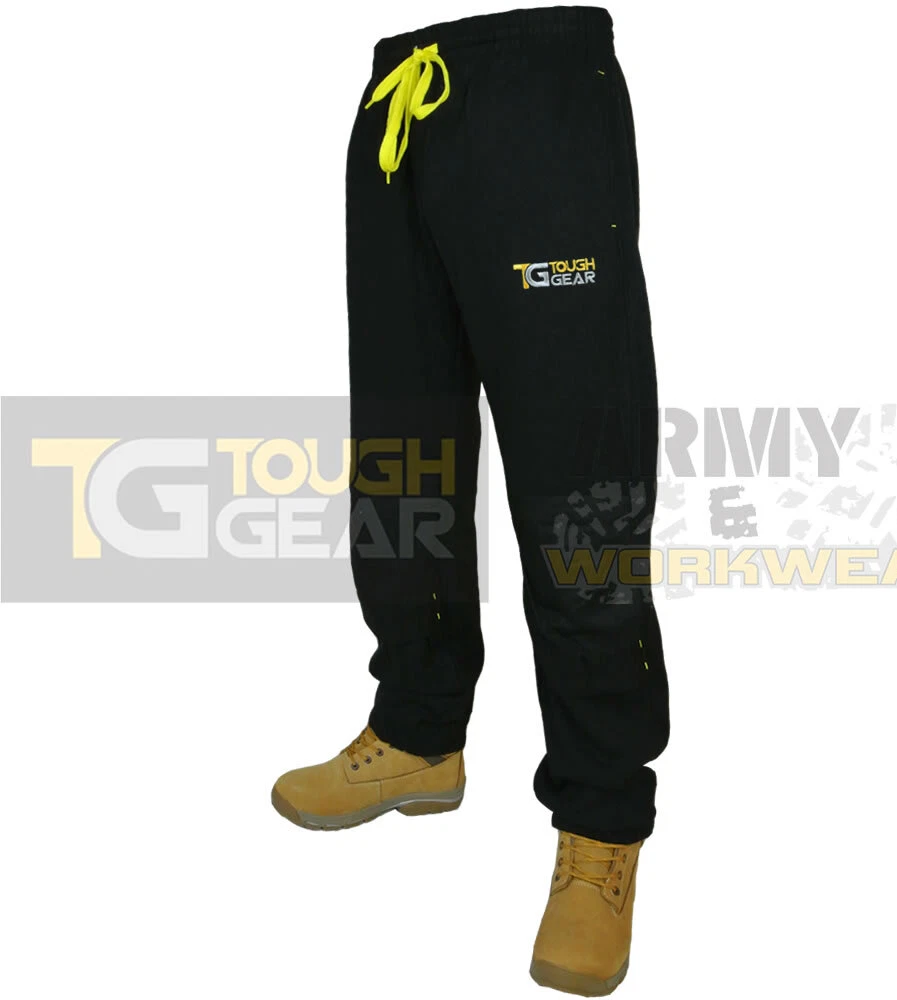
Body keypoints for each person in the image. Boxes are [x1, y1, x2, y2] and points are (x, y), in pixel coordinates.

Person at [272, 8, 669, 995]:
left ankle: (601, 820)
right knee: (403, 452)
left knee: (579, 483)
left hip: (537, 88)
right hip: (399, 95)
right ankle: (418, 731)